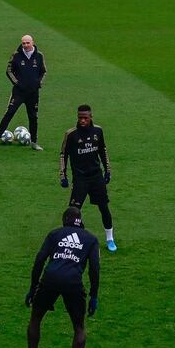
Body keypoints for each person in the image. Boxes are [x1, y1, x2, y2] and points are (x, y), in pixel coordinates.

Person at [19, 207, 100, 348]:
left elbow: (40, 259)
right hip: (73, 282)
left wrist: (33, 288)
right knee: (79, 326)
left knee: (36, 318)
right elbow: (95, 269)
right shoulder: (91, 239)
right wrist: (94, 296)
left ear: (64, 220)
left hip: (50, 279)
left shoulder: (55, 234)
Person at [59, 105, 117, 252]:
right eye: (80, 118)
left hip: (96, 177)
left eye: (85, 118)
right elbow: (63, 155)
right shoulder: (71, 134)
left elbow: (103, 151)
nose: (82, 120)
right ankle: (71, 239)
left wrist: (107, 171)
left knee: (104, 208)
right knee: (73, 211)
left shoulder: (98, 131)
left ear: (91, 116)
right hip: (80, 179)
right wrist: (63, 175)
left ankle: (110, 239)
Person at [0, 34, 46, 151]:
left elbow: (43, 71)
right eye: (23, 43)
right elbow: (9, 70)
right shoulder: (16, 55)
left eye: (28, 43)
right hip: (19, 92)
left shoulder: (39, 56)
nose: (26, 45)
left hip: (33, 93)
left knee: (33, 117)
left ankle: (34, 142)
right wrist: (17, 83)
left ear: (33, 42)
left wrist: (39, 83)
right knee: (10, 112)